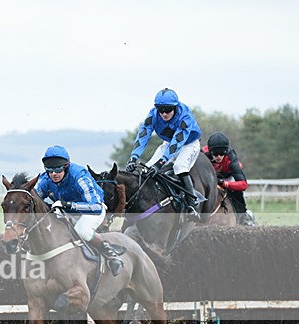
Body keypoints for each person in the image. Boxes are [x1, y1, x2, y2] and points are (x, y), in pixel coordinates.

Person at [35, 145, 125, 276]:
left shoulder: (80, 176)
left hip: (92, 210)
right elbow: (35, 199)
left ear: (66, 167)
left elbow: (96, 206)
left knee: (81, 230)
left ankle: (110, 252)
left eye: (58, 170)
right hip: (67, 211)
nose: (54, 174)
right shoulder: (46, 179)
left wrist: (68, 205)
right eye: (50, 170)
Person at [125, 88, 202, 218]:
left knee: (179, 167)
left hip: (188, 144)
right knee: (147, 170)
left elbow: (177, 143)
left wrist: (160, 164)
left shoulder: (185, 116)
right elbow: (143, 135)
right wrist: (133, 158)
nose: (164, 114)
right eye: (161, 110)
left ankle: (191, 204)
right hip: (168, 143)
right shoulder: (153, 115)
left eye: (168, 110)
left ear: (175, 107)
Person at [202, 132, 256, 226]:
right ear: (210, 152)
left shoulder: (231, 157)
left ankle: (243, 216)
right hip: (211, 176)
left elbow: (243, 184)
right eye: (215, 154)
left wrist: (225, 183)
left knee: (237, 193)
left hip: (228, 176)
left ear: (226, 151)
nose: (219, 157)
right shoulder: (203, 154)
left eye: (222, 153)